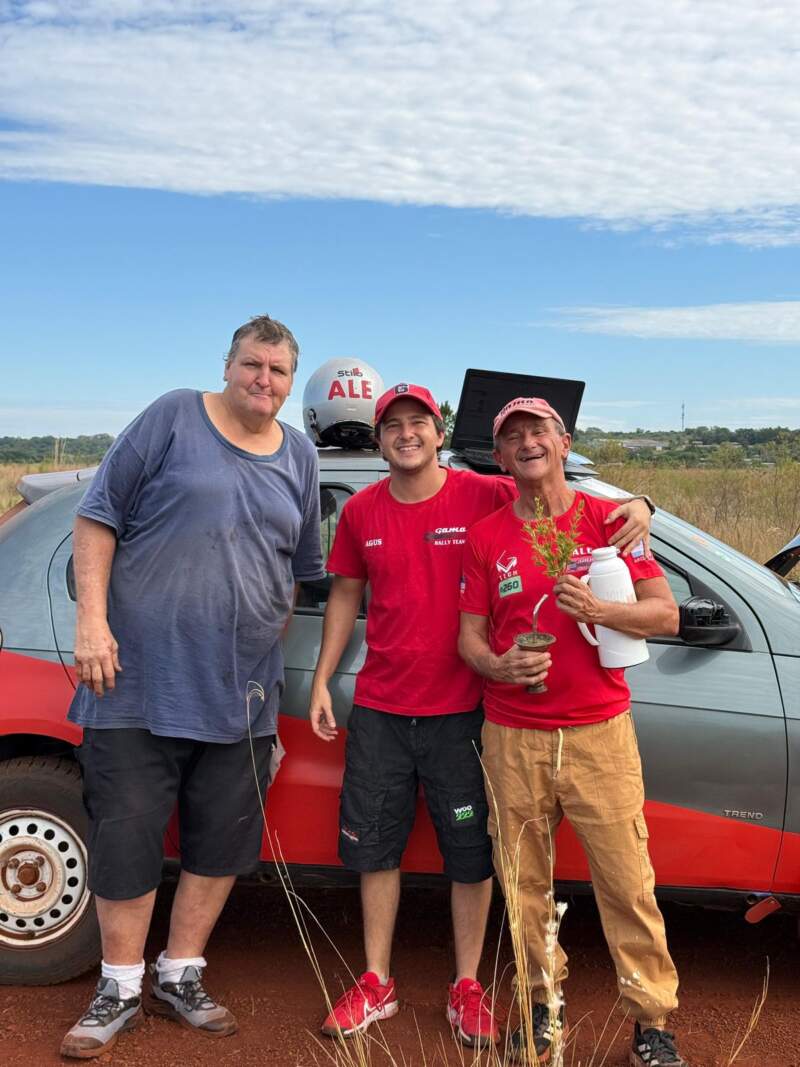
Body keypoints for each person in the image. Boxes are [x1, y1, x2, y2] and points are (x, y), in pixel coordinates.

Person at [308, 383, 652, 1049]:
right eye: (393, 426)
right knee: (376, 846)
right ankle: (377, 979)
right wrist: (324, 679)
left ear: (440, 433)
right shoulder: (361, 511)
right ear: (379, 440)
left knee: (472, 855)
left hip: (465, 709)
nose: (406, 434)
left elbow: (562, 498)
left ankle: (467, 984)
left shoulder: (483, 493)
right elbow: (345, 594)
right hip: (381, 704)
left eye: (418, 423)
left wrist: (641, 503)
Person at [61, 316, 324, 1059]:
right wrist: (93, 624)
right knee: (128, 834)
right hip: (137, 678)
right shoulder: (174, 416)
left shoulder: (298, 456)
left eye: (276, 370)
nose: (262, 380)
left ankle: (180, 974)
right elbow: (95, 516)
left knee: (220, 842)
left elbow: (301, 570)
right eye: (251, 364)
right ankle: (118, 987)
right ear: (228, 364)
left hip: (242, 693)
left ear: (288, 379)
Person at [458, 396, 688, 1066]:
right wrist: (497, 665)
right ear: (500, 457)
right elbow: (469, 637)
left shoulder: (610, 521)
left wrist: (600, 608)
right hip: (512, 733)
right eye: (513, 436)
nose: (528, 442)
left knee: (627, 882)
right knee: (522, 881)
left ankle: (652, 1020)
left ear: (564, 443)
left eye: (540, 431)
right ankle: (541, 1006)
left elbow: (665, 615)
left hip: (599, 733)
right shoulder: (487, 535)